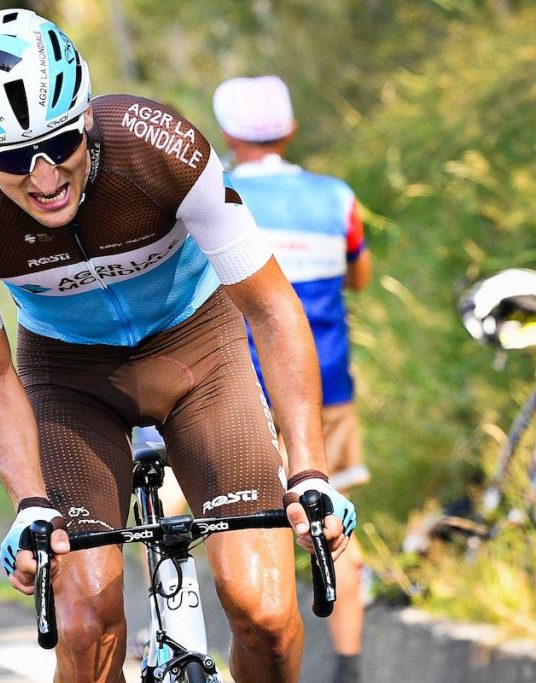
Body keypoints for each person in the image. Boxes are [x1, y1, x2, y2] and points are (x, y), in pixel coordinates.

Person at [0, 9, 356, 682]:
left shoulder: (159, 146)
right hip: (67, 380)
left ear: (86, 116)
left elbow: (270, 307)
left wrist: (310, 469)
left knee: (263, 611)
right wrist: (29, 500)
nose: (42, 176)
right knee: (88, 623)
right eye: (10, 157)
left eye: (59, 143)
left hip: (200, 353)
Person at [213, 75, 372, 683]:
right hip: (326, 386)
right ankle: (351, 668)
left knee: (252, 527)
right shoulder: (337, 198)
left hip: (240, 397)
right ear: (292, 128)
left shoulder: (216, 196)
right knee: (334, 518)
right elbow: (358, 276)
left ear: (228, 133)